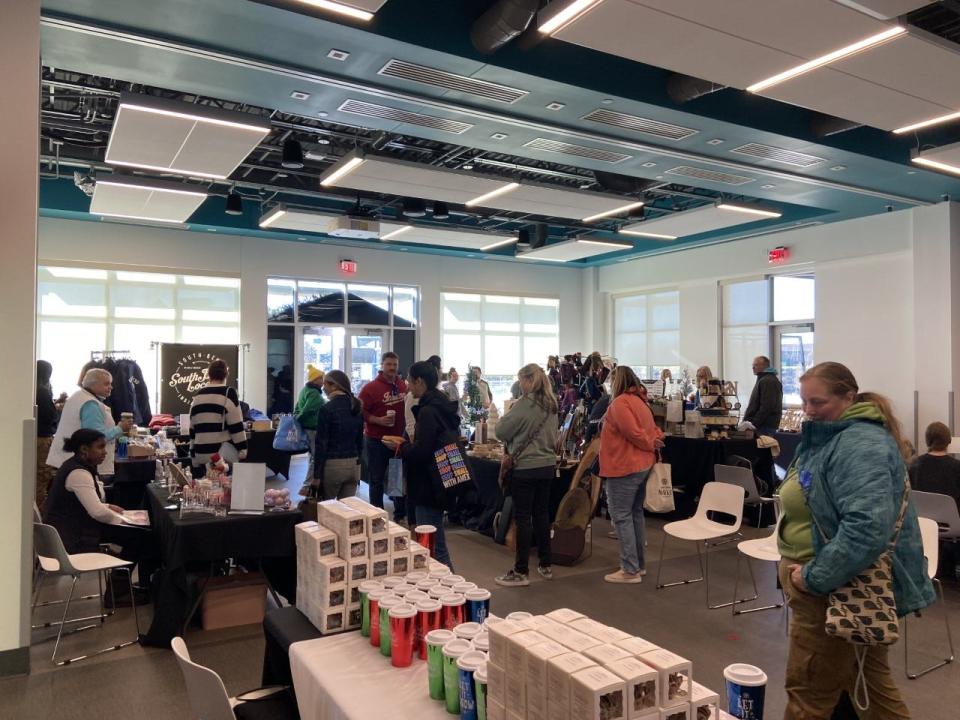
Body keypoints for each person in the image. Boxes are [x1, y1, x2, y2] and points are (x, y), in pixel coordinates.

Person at [777, 362, 933, 719]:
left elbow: (866, 528)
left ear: (849, 396)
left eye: (818, 402)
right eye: (804, 402)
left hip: (834, 588)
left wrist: (813, 578)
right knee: (867, 688)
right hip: (838, 584)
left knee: (809, 693)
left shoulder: (860, 444)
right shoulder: (831, 435)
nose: (809, 411)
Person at [43, 428, 154, 604]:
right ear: (84, 449)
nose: (105, 451)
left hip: (72, 528)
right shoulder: (78, 473)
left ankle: (122, 587)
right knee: (139, 536)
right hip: (73, 536)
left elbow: (89, 503)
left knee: (137, 535)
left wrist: (109, 506)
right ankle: (118, 593)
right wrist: (126, 521)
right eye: (100, 447)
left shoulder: (75, 466)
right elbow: (97, 512)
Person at [382, 361, 458, 569]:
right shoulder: (442, 405)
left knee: (434, 548)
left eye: (409, 381)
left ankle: (452, 594)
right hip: (439, 480)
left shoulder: (427, 411)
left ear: (420, 382)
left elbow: (423, 451)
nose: (407, 386)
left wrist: (401, 446)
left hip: (428, 484)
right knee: (435, 544)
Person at [493, 363, 559, 587]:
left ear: (529, 381)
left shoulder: (525, 404)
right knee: (542, 515)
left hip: (526, 467)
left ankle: (521, 571)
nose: (520, 385)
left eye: (521, 380)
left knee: (523, 519)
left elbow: (501, 431)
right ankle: (545, 564)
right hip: (547, 466)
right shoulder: (551, 404)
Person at [600, 366, 665, 584]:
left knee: (622, 516)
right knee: (634, 513)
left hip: (625, 466)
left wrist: (649, 442)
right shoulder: (640, 401)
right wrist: (653, 441)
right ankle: (638, 565)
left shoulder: (620, 404)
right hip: (641, 465)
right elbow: (653, 430)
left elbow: (634, 433)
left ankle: (630, 569)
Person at [47, 367, 133, 482]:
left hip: (67, 459)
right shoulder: (90, 404)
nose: (111, 387)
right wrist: (120, 428)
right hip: (80, 463)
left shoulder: (78, 396)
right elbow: (96, 437)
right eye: (106, 384)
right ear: (94, 384)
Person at [358, 352, 408, 520]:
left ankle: (400, 514)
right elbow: (360, 411)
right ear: (382, 365)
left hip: (398, 441)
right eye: (388, 364)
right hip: (376, 441)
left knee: (396, 479)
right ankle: (376, 515)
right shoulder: (370, 388)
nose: (392, 367)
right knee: (377, 478)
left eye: (395, 364)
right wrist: (377, 420)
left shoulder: (402, 386)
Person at [909, 421, 960, 578]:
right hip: (953, 527)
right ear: (948, 441)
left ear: (927, 440)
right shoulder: (957, 468)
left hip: (922, 523)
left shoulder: (914, 465)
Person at [311, 370, 364, 500]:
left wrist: (316, 476)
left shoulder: (327, 409)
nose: (323, 388)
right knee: (347, 512)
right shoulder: (356, 406)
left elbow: (321, 444)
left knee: (328, 510)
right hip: (353, 464)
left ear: (334, 386)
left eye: (326, 385)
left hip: (333, 466)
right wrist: (358, 464)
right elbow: (360, 441)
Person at [188, 360, 247, 475]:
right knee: (225, 489)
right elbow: (236, 426)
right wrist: (243, 450)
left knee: (206, 489)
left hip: (201, 454)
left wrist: (193, 456)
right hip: (220, 457)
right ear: (226, 374)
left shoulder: (197, 396)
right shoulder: (229, 393)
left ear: (209, 374)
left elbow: (192, 429)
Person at [295, 363, 326, 492]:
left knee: (311, 456)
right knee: (316, 457)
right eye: (321, 378)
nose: (323, 381)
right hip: (313, 428)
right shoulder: (314, 393)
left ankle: (310, 483)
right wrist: (299, 418)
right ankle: (308, 485)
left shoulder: (304, 390)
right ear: (315, 379)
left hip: (306, 427)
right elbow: (307, 409)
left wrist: (297, 419)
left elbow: (297, 407)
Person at [36, 360, 60, 509]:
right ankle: (39, 517)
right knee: (42, 478)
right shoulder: (43, 392)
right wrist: (57, 409)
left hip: (35, 437)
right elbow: (50, 416)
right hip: (43, 439)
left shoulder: (31, 389)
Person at [743, 356, 783, 436]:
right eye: (753, 365)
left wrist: (753, 424)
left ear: (764, 366)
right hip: (761, 426)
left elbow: (767, 406)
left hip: (764, 427)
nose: (753, 367)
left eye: (756, 365)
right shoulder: (763, 380)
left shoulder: (768, 381)